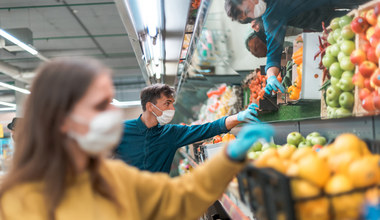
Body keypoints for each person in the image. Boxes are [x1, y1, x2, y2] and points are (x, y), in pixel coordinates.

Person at [0, 57, 274, 220]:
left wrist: (229, 157)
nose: (111, 114)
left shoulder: (113, 178)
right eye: (99, 105)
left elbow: (180, 198)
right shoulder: (13, 200)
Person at [224, 0, 369, 95]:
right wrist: (271, 77)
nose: (252, 15)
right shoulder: (270, 16)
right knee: (367, 20)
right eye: (248, 16)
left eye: (248, 9)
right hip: (328, 19)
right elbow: (273, 54)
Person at [115, 84, 260, 173]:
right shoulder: (121, 130)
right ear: (149, 106)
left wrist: (238, 117)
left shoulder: (170, 134)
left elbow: (209, 129)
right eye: (167, 103)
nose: (172, 108)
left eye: (172, 103)